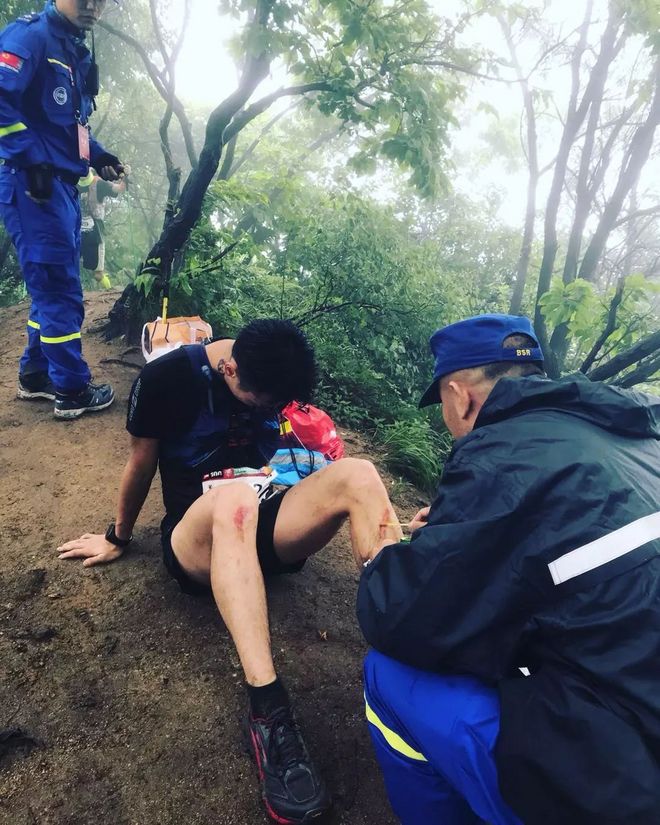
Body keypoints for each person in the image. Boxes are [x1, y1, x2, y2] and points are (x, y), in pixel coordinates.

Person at [57, 318, 403, 825]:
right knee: (234, 500)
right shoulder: (166, 380)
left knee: (359, 473)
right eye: (261, 401)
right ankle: (269, 712)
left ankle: (406, 627)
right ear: (230, 367)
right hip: (198, 536)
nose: (269, 410)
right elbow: (140, 462)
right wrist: (117, 536)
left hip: (264, 522)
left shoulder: (271, 378)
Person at [357, 313, 660, 825]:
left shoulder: (500, 454)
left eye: (445, 410)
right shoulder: (636, 443)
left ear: (459, 396)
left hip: (627, 789)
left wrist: (386, 554)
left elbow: (400, 616)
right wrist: (461, 532)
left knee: (387, 674)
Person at [0, 0, 125, 420]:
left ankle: (36, 376)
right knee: (59, 291)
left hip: (63, 190)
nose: (91, 6)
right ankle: (71, 390)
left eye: (100, 0)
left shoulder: (72, 49)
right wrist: (30, 158)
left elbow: (71, 125)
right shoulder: (30, 37)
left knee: (51, 288)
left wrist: (99, 155)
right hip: (33, 188)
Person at [78, 166, 129, 289]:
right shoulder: (73, 184)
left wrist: (126, 176)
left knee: (98, 275)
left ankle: (109, 291)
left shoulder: (99, 184)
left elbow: (120, 189)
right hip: (76, 231)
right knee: (69, 266)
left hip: (96, 232)